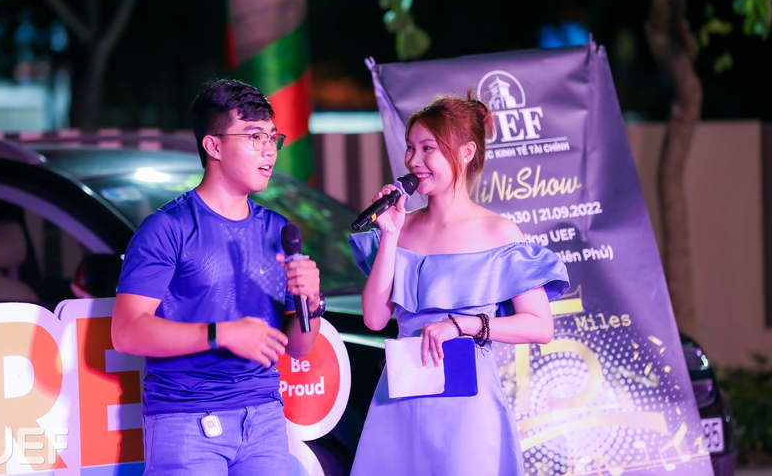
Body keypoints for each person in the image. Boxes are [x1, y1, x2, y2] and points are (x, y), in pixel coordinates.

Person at [111, 79, 324, 475]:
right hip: (186, 418)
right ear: (213, 146)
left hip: (264, 417)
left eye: (272, 138)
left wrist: (311, 303)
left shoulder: (277, 230)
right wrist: (220, 334)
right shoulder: (167, 228)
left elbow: (299, 347)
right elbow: (127, 332)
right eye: (254, 136)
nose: (268, 150)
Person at [348, 95, 569, 476]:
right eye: (411, 148)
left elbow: (539, 325)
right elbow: (374, 318)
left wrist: (464, 325)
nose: (414, 161)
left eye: (428, 148)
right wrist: (389, 235)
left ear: (466, 152)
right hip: (402, 396)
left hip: (467, 405)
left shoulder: (498, 232)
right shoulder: (401, 227)